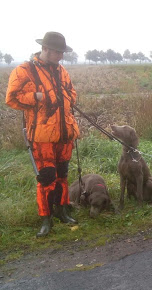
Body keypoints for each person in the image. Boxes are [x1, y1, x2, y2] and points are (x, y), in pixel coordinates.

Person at [6, 32, 80, 237]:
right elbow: (11, 99)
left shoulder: (62, 70)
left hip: (65, 133)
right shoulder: (24, 70)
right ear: (45, 49)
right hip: (42, 136)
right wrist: (36, 97)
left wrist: (68, 99)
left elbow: (72, 93)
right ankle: (45, 219)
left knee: (63, 174)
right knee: (47, 177)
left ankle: (62, 211)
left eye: (62, 52)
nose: (61, 56)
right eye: (57, 52)